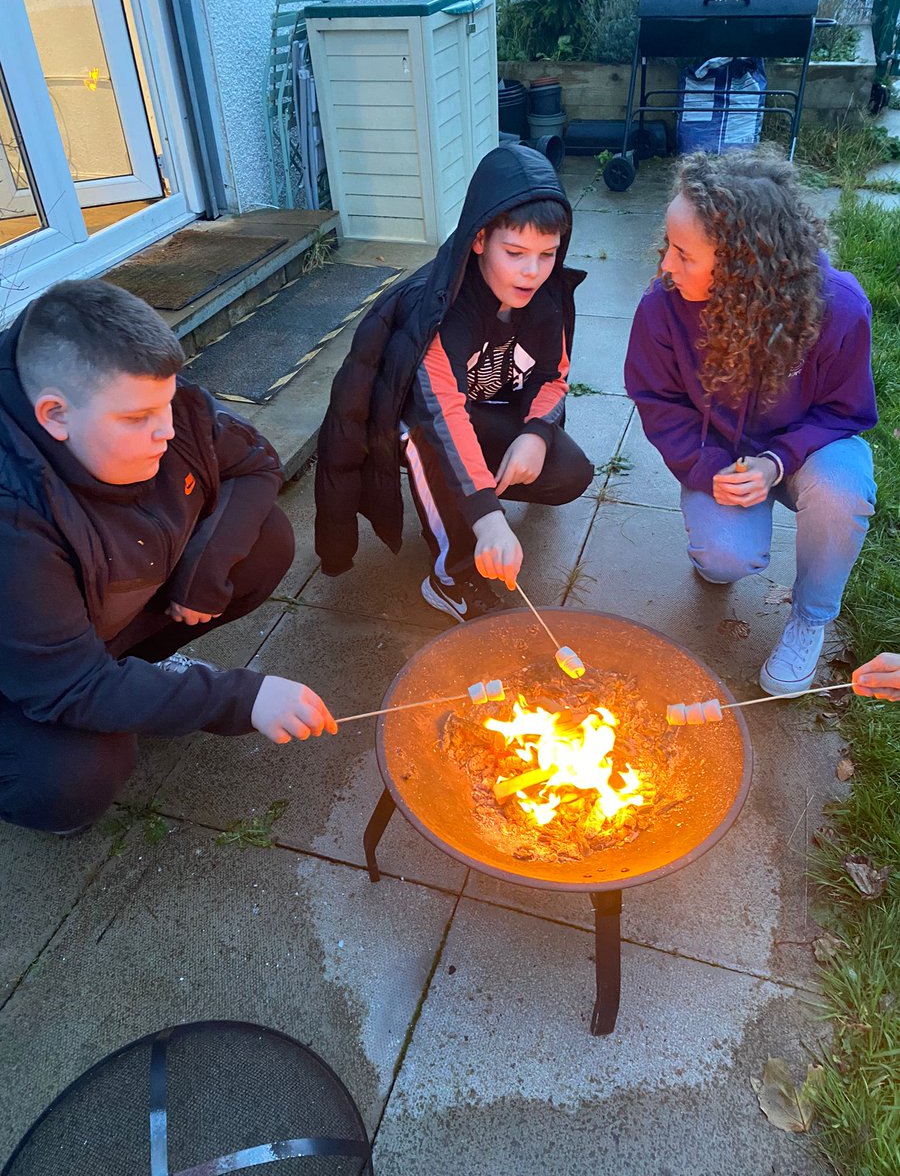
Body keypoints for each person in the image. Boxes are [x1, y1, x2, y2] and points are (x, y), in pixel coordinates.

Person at [0, 280, 336, 836]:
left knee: (265, 541)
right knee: (73, 774)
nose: (168, 431)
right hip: (26, 668)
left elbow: (254, 463)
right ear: (55, 415)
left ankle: (140, 676)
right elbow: (68, 686)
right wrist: (240, 697)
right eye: (138, 419)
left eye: (169, 403)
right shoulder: (14, 517)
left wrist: (200, 575)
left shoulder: (151, 399)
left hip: (92, 615)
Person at [624, 149, 877, 696]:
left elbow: (847, 411)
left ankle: (810, 618)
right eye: (670, 245)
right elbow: (658, 400)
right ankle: (722, 551)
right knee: (723, 561)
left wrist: (777, 461)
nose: (666, 264)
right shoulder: (663, 306)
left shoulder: (840, 308)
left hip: (811, 451)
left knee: (842, 492)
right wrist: (710, 466)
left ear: (744, 267)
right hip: (723, 456)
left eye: (685, 255)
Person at [314, 145, 594, 620]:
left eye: (547, 254)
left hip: (483, 410)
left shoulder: (546, 298)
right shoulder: (442, 311)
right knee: (428, 440)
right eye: (516, 253)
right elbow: (441, 412)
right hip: (415, 417)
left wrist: (536, 434)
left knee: (569, 472)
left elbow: (553, 375)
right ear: (480, 239)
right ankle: (452, 575)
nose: (533, 271)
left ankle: (462, 493)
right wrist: (486, 515)